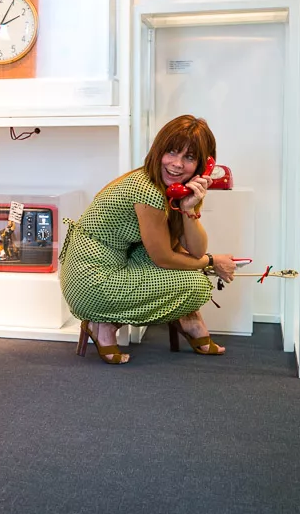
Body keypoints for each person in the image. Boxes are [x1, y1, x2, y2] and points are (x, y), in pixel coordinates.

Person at [59, 115, 237, 364]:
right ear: (158, 151)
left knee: (188, 265)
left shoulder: (169, 189)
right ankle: (105, 323)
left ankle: (184, 318)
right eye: (171, 152)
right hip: (91, 280)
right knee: (195, 285)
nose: (176, 164)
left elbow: (196, 249)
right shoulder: (148, 191)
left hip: (102, 267)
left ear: (203, 165)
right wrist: (211, 262)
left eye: (189, 157)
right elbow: (164, 258)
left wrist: (188, 209)